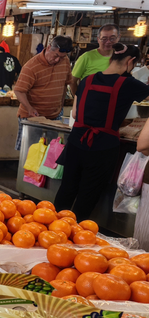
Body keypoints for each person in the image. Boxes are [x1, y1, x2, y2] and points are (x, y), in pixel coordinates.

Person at [54, 44, 149, 219]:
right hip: (103, 147)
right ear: (131, 61)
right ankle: (76, 235)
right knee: (88, 195)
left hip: (76, 141)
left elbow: (75, 113)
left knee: (66, 189)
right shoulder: (129, 84)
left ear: (111, 58)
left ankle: (51, 228)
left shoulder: (87, 79)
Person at [12, 35, 73, 150]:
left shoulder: (65, 61)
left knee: (48, 153)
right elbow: (19, 90)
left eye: (62, 57)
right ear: (49, 47)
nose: (57, 60)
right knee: (30, 151)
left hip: (54, 117)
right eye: (56, 56)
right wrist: (29, 108)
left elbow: (67, 82)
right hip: (33, 117)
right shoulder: (31, 66)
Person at [71, 24, 120, 96]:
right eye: (104, 39)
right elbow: (72, 81)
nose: (108, 42)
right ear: (98, 39)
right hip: (89, 102)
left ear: (118, 38)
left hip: (112, 102)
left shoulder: (120, 58)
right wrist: (78, 99)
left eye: (112, 38)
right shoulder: (86, 57)